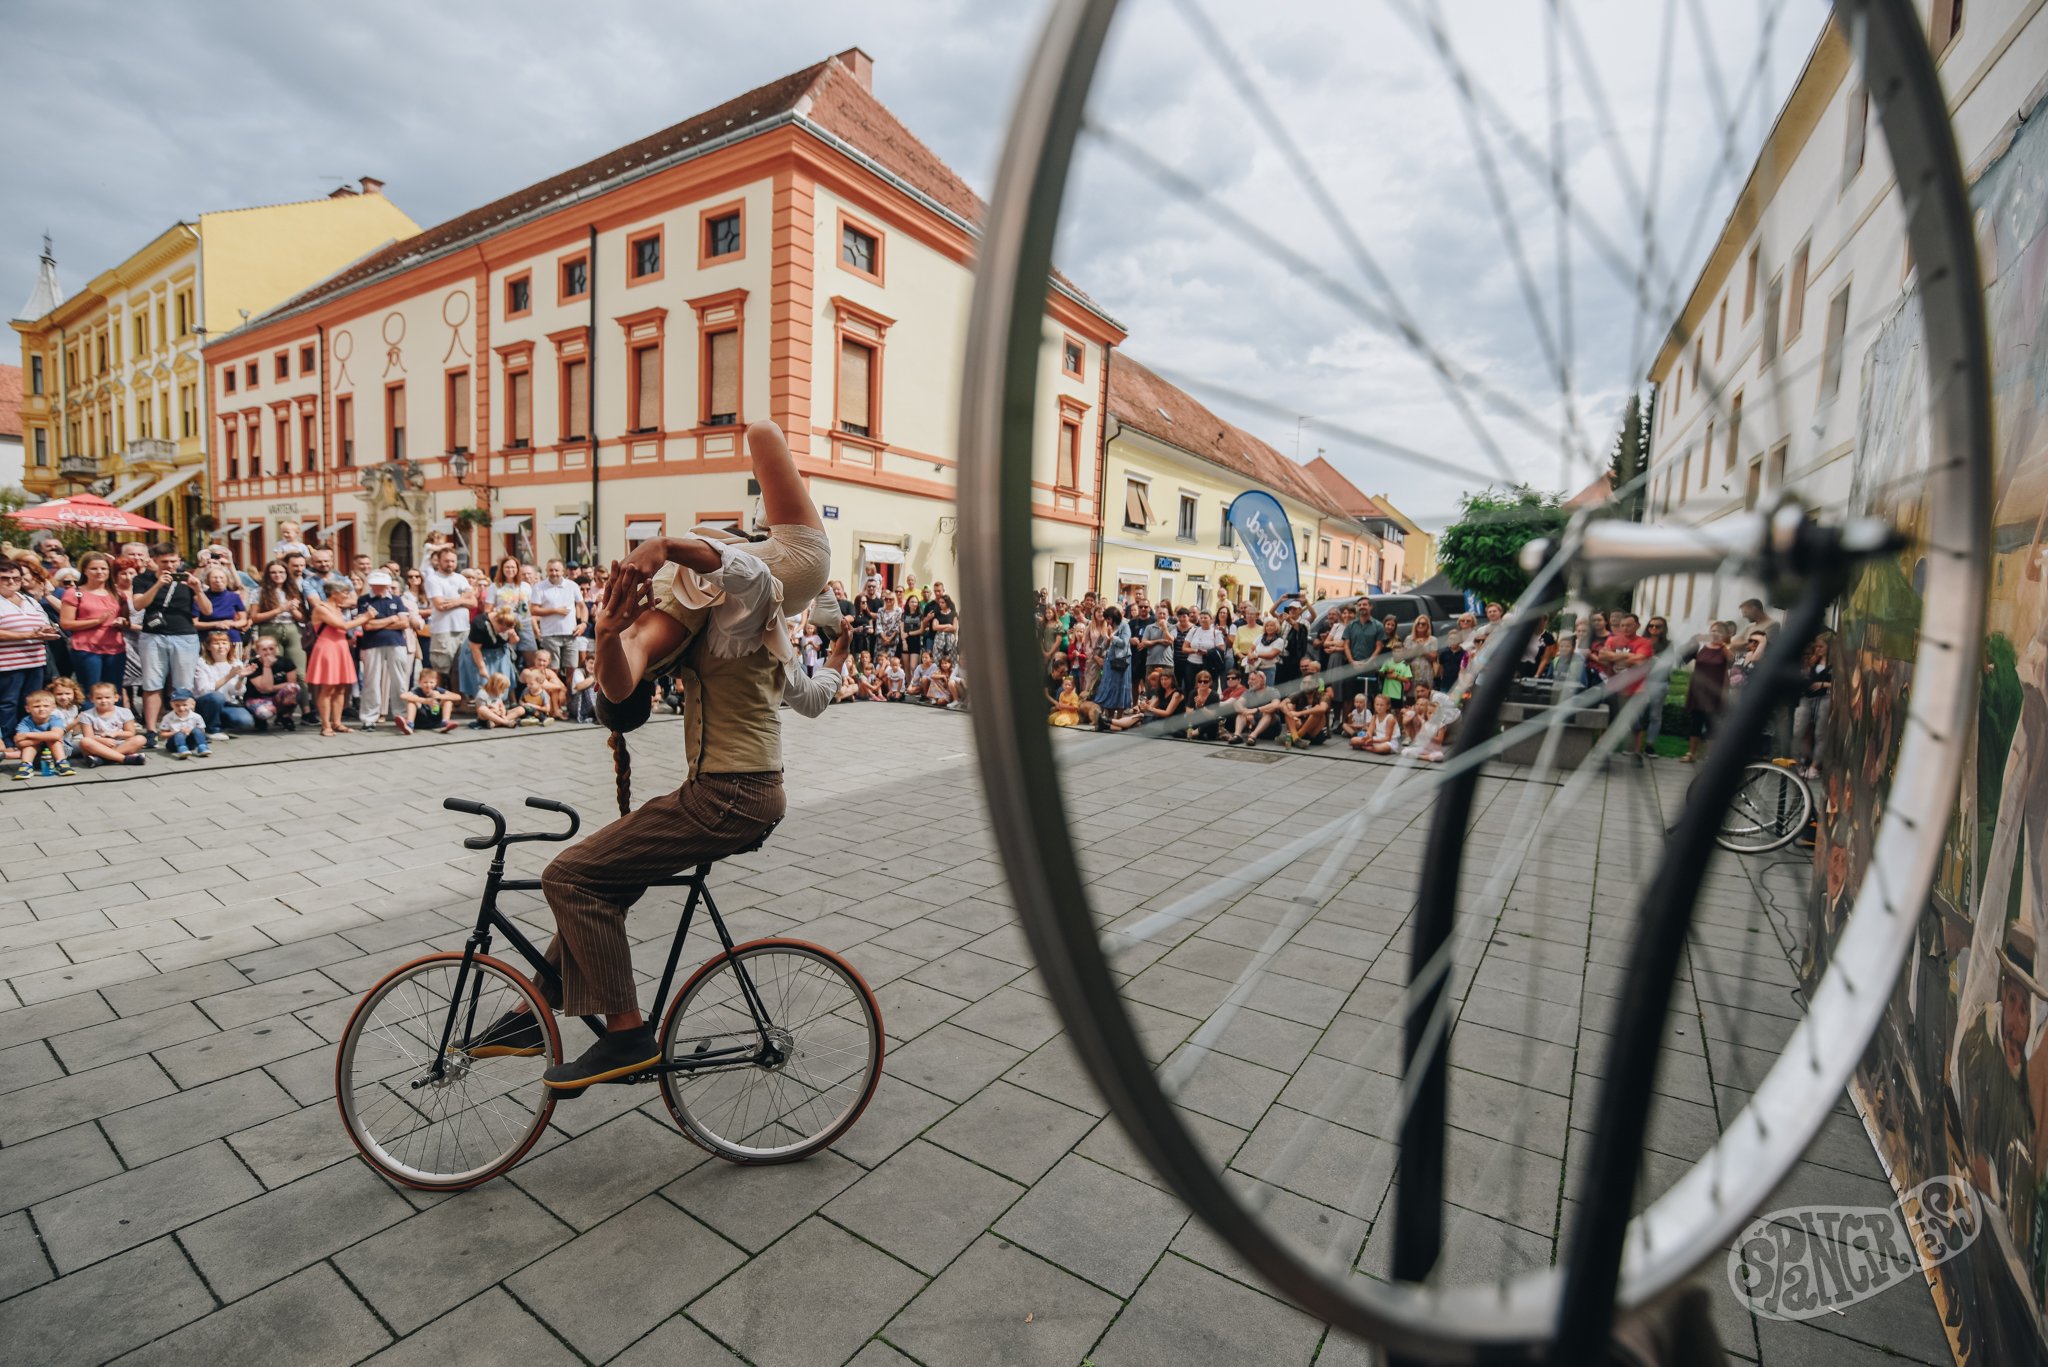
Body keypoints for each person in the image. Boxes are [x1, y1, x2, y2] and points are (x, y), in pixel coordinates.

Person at [469, 420, 834, 1091]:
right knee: (597, 878)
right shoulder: (711, 607)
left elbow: (754, 562)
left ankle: (628, 1033)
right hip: (727, 791)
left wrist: (662, 545)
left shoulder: (748, 595)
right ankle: (533, 1008)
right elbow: (623, 671)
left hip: (732, 793)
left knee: (568, 876)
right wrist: (607, 631)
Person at [132, 544, 211, 746]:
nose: (170, 566)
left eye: (173, 561)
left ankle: (188, 727)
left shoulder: (188, 578)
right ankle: (151, 730)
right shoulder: (143, 579)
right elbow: (139, 604)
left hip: (184, 635)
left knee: (183, 686)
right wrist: (158, 584)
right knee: (152, 683)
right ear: (155, 561)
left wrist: (198, 590)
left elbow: (207, 610)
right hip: (153, 636)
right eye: (165, 561)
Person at [306, 578, 370, 736]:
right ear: (334, 594)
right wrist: (366, 617)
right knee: (328, 688)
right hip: (328, 649)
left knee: (341, 688)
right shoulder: (321, 608)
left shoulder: (338, 608)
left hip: (340, 647)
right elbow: (342, 626)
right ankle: (325, 725)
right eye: (345, 593)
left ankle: (337, 722)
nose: (347, 596)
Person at [59, 552, 128, 693]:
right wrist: (96, 621)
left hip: (115, 649)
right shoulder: (75, 593)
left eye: (104, 568)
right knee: (91, 690)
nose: (99, 572)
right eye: (94, 569)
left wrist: (122, 622)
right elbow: (66, 623)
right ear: (84, 570)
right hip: (86, 649)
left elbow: (126, 621)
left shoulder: (118, 594)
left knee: (114, 690)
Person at [356, 570, 416, 730]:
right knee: (371, 681)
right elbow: (367, 625)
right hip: (372, 643)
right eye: (376, 585)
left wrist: (378, 622)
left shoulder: (397, 599)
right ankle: (369, 718)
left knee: (400, 680)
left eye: (382, 586)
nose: (379, 588)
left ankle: (401, 714)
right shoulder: (364, 600)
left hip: (396, 642)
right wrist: (391, 619)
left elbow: (404, 623)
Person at [1682, 623, 1732, 763]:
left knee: (1712, 724)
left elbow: (1732, 661)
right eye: (1713, 630)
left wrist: (1725, 644)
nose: (1715, 633)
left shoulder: (1724, 649)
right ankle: (1691, 753)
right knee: (1695, 723)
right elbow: (1686, 657)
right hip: (1698, 690)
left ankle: (1711, 756)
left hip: (1714, 692)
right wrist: (1696, 639)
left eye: (1719, 631)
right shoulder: (1703, 648)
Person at [423, 544, 476, 675]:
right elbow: (440, 605)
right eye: (446, 561)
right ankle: (440, 695)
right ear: (439, 561)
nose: (450, 564)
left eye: (453, 561)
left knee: (461, 670)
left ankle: (457, 695)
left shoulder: (461, 578)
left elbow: (473, 603)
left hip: (463, 629)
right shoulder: (433, 579)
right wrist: (463, 599)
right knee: (441, 670)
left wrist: (456, 600)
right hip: (443, 630)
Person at [250, 561, 307, 676]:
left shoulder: (294, 590)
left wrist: (292, 609)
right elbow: (255, 617)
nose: (278, 575)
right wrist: (280, 609)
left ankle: (301, 693)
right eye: (273, 572)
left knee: (299, 673)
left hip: (292, 628)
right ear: (268, 575)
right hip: (270, 628)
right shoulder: (258, 592)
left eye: (281, 572)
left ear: (287, 574)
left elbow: (303, 619)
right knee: (275, 671)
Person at [192, 632, 256, 735]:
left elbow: (237, 692)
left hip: (227, 703)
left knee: (246, 721)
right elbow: (203, 690)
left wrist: (241, 678)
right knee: (217, 697)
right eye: (216, 643)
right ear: (208, 646)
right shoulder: (201, 663)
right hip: (206, 703)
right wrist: (228, 676)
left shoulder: (236, 662)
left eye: (224, 643)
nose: (221, 646)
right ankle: (212, 729)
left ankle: (220, 722)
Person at [71, 681, 146, 766]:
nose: (103, 701)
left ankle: (103, 759)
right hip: (98, 746)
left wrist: (115, 734)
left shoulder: (125, 712)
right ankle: (123, 759)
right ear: (92, 699)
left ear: (116, 698)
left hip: (120, 744)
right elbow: (89, 736)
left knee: (140, 739)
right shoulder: (86, 715)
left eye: (107, 697)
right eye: (99, 698)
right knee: (85, 741)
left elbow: (131, 733)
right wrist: (102, 740)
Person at [531, 560, 583, 673]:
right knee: (552, 670)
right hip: (550, 635)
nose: (554, 573)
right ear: (546, 571)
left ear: (563, 571)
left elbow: (582, 606)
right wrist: (555, 611)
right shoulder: (539, 587)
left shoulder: (572, 585)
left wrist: (583, 624)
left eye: (556, 570)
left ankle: (569, 691)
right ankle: (555, 690)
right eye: (551, 570)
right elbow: (533, 610)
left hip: (571, 633)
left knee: (572, 669)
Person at [1794, 635, 1832, 777]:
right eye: (1817, 646)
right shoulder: (1812, 661)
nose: (1818, 649)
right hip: (1807, 697)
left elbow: (1843, 684)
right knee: (1800, 730)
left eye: (1821, 646)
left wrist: (1824, 684)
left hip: (1825, 697)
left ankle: (1814, 766)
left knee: (1820, 733)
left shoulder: (1835, 664)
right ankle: (1797, 762)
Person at [12, 689, 73, 778]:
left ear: (53, 708)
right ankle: (26, 766)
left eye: (46, 706)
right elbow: (20, 742)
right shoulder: (25, 722)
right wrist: (46, 738)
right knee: (31, 745)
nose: (41, 709)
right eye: (36, 706)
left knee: (53, 741)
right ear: (28, 709)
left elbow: (57, 735)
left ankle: (62, 763)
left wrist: (27, 735)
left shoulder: (55, 719)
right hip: (36, 757)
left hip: (60, 752)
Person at [243, 637, 301, 731]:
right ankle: (259, 719)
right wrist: (267, 666)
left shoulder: (286, 661)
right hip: (256, 697)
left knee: (293, 688)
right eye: (264, 649)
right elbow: (266, 688)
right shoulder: (252, 664)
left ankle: (285, 716)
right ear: (257, 651)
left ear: (276, 649)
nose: (268, 652)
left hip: (277, 696)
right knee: (265, 712)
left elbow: (291, 683)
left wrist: (271, 688)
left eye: (271, 648)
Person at [1091, 605, 1134, 726]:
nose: (1107, 621)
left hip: (1121, 662)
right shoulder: (1108, 627)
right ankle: (1109, 717)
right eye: (1106, 619)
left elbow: (1124, 643)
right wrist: (1108, 640)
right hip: (1109, 661)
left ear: (1114, 617)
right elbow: (1104, 645)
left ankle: (1119, 718)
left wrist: (1112, 637)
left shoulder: (1125, 626)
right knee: (1109, 687)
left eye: (1108, 619)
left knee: (1120, 688)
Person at [194, 565, 248, 648]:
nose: (218, 580)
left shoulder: (234, 596)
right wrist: (216, 624)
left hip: (231, 638)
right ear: (208, 581)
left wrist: (232, 624)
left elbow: (243, 620)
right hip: (208, 640)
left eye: (221, 577)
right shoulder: (200, 597)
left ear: (227, 579)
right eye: (214, 578)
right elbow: (195, 623)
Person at [1282, 660, 1331, 747]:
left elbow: (1322, 708)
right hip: (1299, 725)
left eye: (1309, 683)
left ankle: (1295, 737)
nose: (1306, 685)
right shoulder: (1298, 694)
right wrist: (1292, 714)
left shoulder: (1322, 696)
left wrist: (1299, 713)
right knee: (1288, 707)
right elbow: (1281, 704)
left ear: (1316, 684)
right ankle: (1296, 738)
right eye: (1304, 683)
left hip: (1316, 733)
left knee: (1317, 711)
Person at [400, 668, 464, 735]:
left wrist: (440, 696)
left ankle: (446, 722)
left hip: (436, 720)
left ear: (435, 682)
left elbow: (458, 697)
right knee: (411, 701)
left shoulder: (438, 690)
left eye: (431, 682)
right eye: (425, 682)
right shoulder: (417, 691)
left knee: (448, 701)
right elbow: (403, 696)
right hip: (421, 721)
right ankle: (409, 724)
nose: (428, 685)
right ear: (419, 682)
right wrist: (424, 700)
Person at [156, 688, 211, 759]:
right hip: (174, 744)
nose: (181, 708)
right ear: (171, 705)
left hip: (191, 742)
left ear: (192, 705)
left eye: (185, 705)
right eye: (177, 705)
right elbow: (162, 734)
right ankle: (182, 749)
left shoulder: (196, 717)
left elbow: (202, 731)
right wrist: (176, 732)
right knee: (180, 734)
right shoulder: (168, 717)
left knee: (197, 730)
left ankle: (203, 747)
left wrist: (190, 730)